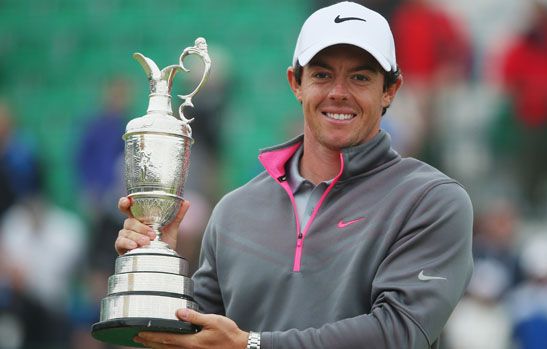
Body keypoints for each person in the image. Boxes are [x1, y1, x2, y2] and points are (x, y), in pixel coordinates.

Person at [114, 2, 474, 348]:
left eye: (360, 77)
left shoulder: (432, 201)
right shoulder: (234, 211)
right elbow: (198, 339)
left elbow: (396, 335)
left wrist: (253, 346)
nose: (338, 93)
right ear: (295, 83)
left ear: (390, 90)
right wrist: (157, 270)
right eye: (322, 75)